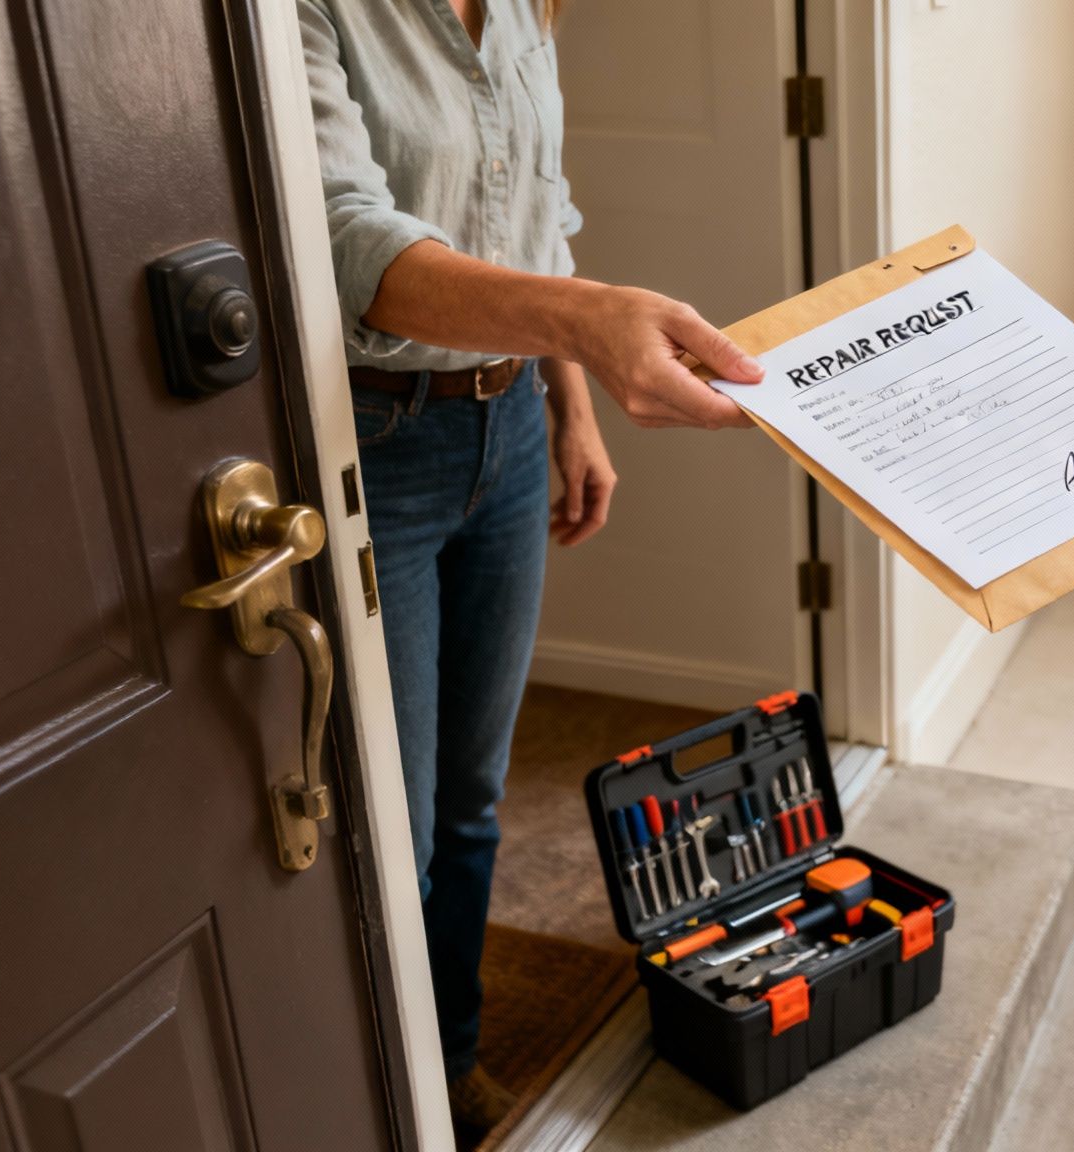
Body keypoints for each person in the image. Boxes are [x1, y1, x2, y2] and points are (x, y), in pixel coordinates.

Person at [297, 0, 760, 1137]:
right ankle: (376, 1089)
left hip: (504, 427)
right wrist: (593, 321)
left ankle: (446, 1058)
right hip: (371, 440)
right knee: (390, 827)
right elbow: (348, 240)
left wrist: (570, 410)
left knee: (472, 798)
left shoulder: (521, 7)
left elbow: (537, 213)